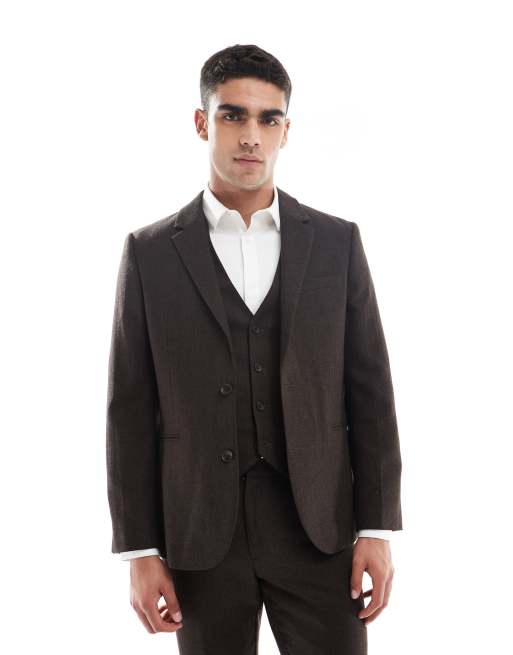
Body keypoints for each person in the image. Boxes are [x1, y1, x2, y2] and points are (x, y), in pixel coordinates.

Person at [106, 43, 403, 655]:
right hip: (200, 533)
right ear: (202, 122)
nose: (251, 136)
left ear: (286, 131)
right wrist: (140, 549)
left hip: (318, 529)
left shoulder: (336, 243)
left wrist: (377, 528)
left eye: (269, 119)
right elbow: (130, 409)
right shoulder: (150, 253)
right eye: (232, 115)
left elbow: (370, 390)